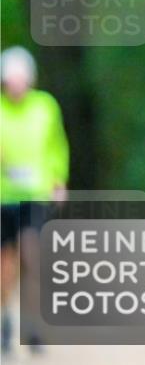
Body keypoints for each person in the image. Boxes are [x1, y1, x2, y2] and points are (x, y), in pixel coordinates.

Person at [0, 46, 70, 356]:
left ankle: (32, 326)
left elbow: (57, 145)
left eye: (21, 77)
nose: (16, 83)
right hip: (4, 196)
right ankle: (5, 322)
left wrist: (59, 180)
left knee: (33, 256)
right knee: (6, 265)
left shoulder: (45, 107)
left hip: (36, 193)